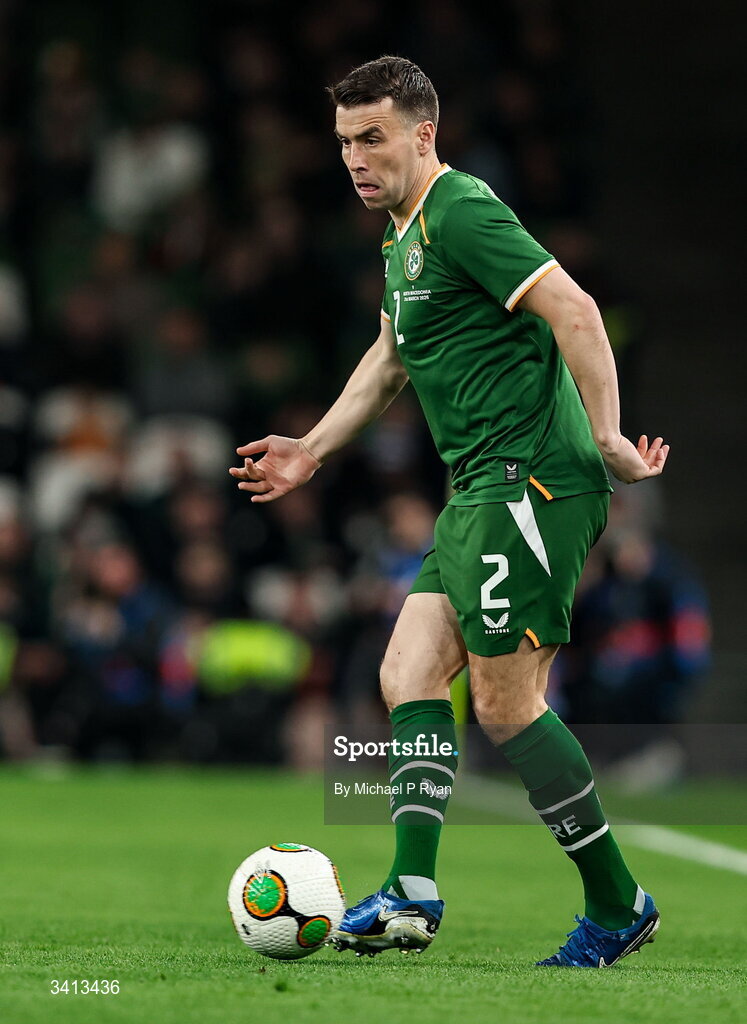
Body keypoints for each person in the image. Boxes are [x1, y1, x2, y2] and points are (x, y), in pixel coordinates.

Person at [230, 56, 669, 969]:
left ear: (422, 134)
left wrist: (606, 435)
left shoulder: (461, 210)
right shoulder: (398, 237)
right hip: (480, 484)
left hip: (532, 480)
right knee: (408, 671)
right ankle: (412, 894)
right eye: (345, 140)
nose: (354, 157)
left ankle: (617, 903)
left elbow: (576, 311)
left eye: (373, 137)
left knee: (508, 706)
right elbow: (389, 358)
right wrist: (310, 447)